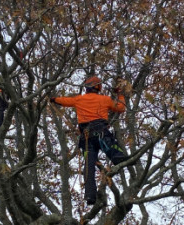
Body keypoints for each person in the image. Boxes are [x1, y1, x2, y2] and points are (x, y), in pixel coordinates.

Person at [50, 75, 130, 204]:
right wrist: (120, 95)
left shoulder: (79, 99)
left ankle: (90, 195)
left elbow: (65, 100)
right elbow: (120, 108)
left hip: (86, 138)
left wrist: (54, 99)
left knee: (89, 167)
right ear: (98, 88)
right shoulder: (105, 99)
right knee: (111, 147)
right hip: (100, 132)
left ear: (87, 88)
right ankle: (119, 159)